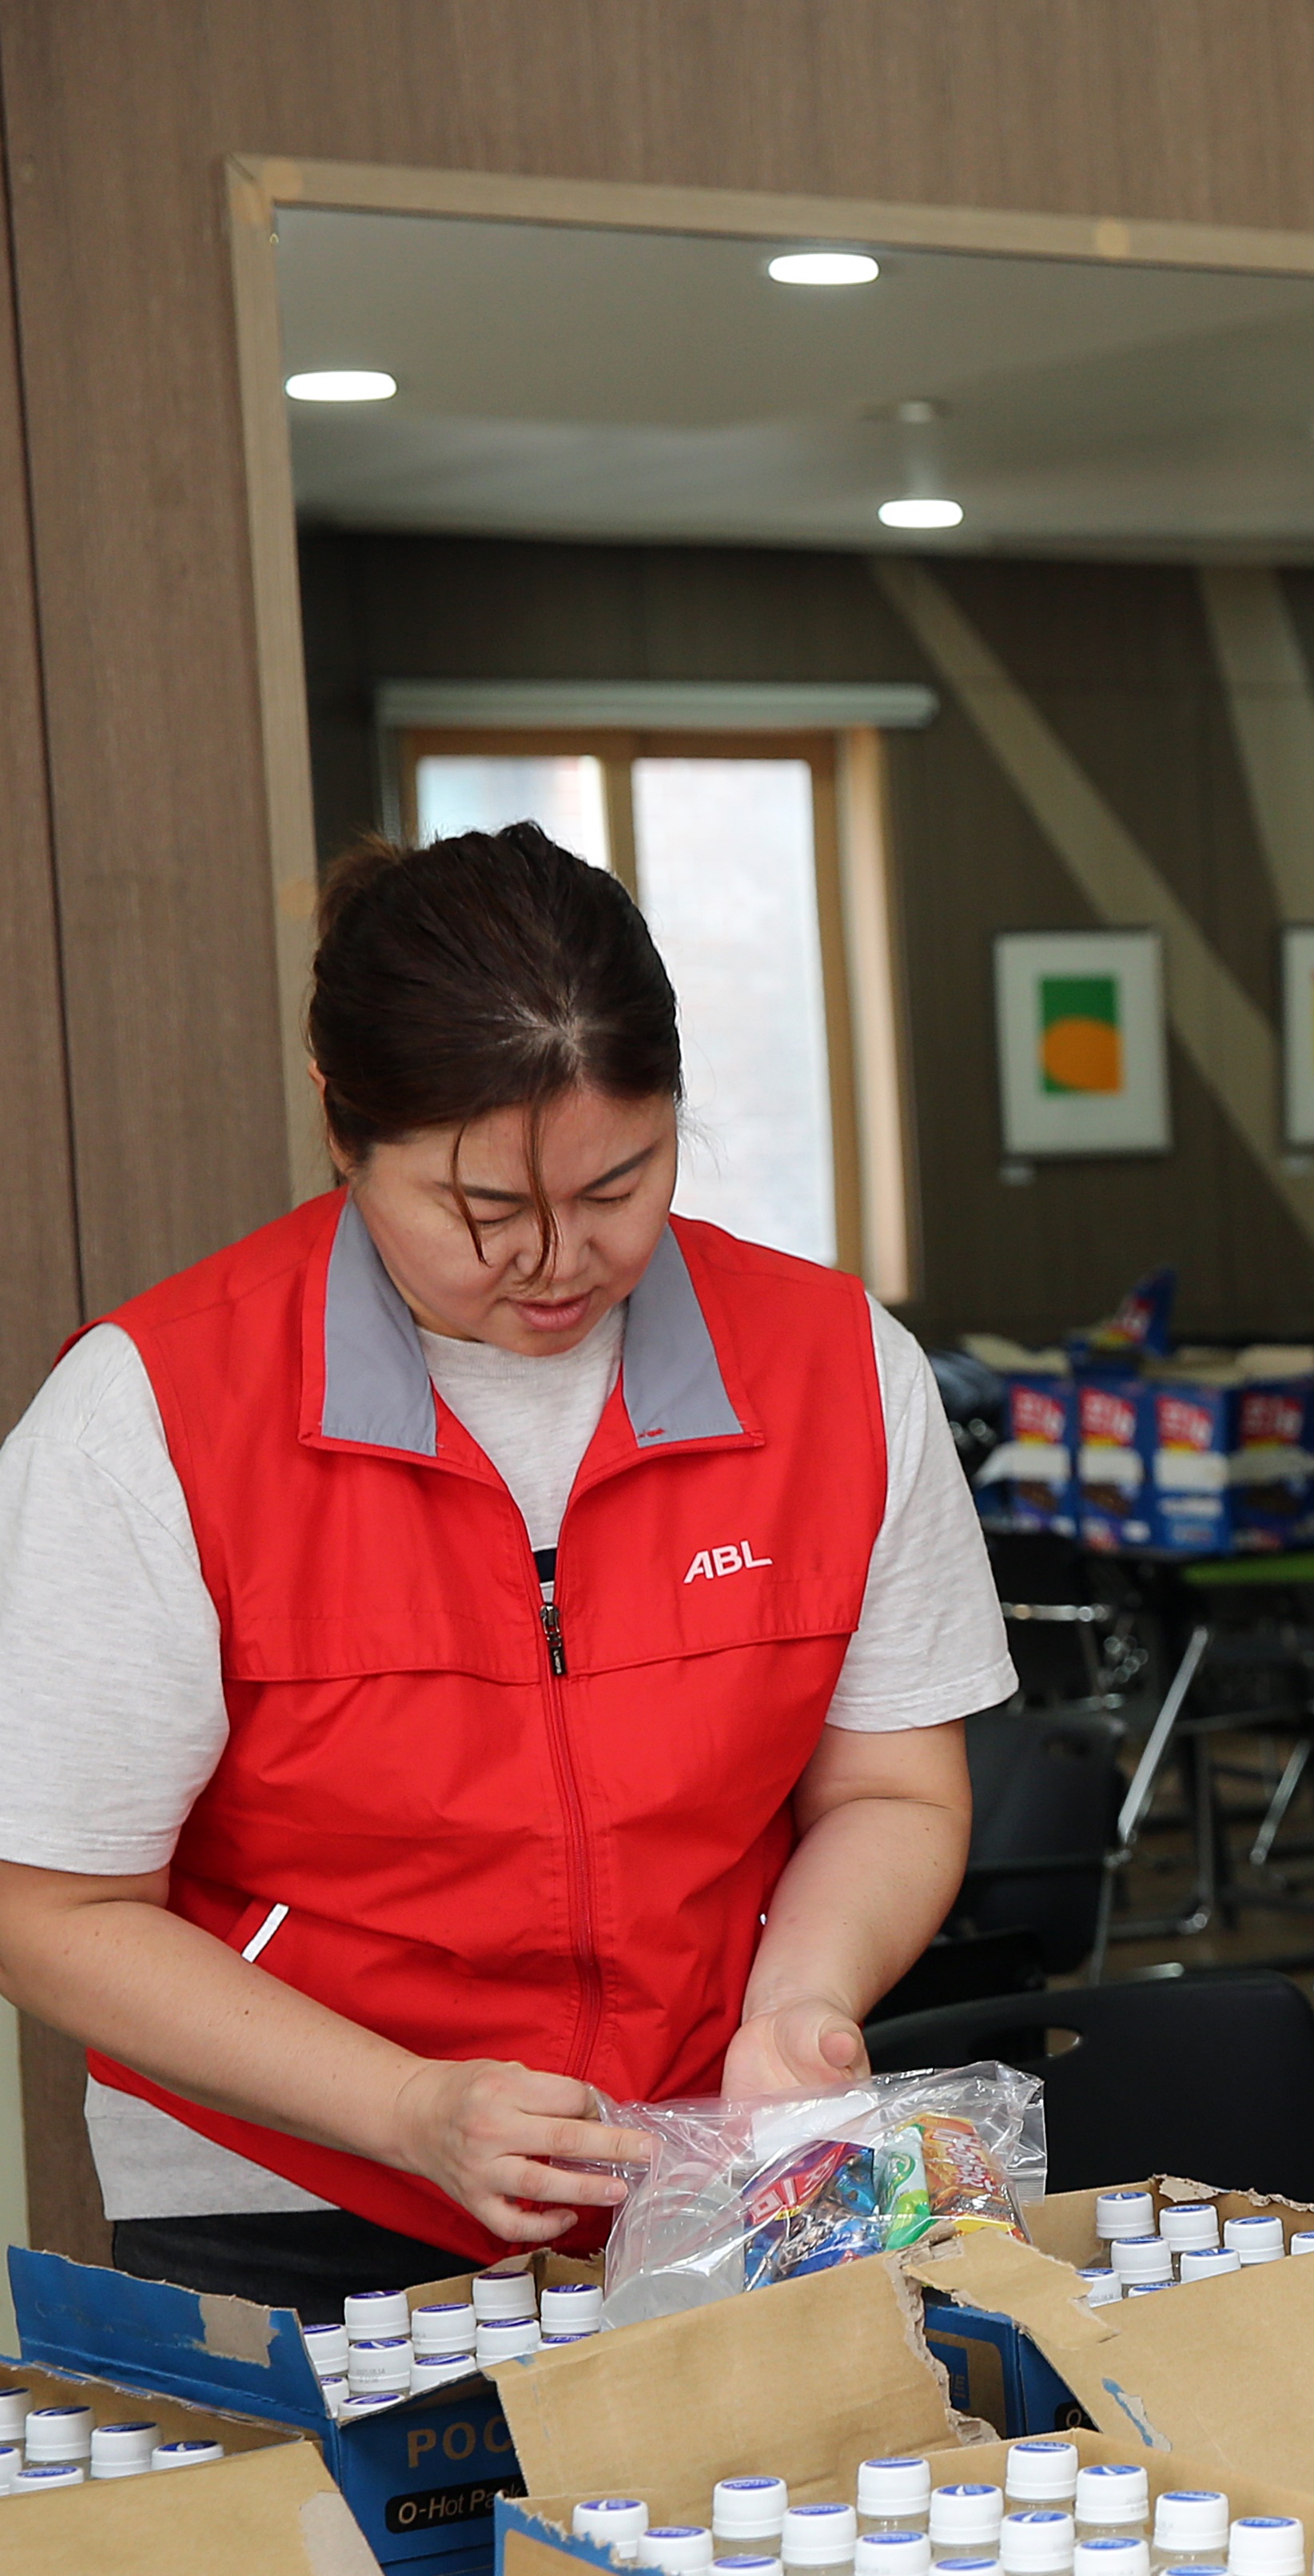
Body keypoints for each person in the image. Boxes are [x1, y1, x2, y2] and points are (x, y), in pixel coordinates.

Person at [0, 824, 1016, 2313]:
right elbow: (50, 1910)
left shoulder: (837, 1374)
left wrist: (800, 2005)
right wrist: (408, 2107)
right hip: (295, 2196)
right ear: (341, 1125)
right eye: (482, 1211)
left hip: (710, 2172)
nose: (558, 1260)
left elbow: (889, 1792)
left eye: (621, 1185)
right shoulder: (153, 1413)